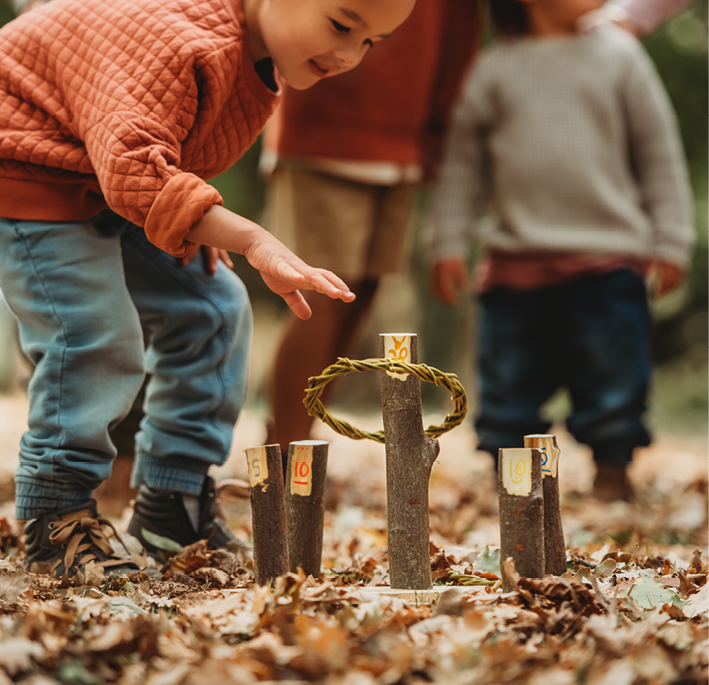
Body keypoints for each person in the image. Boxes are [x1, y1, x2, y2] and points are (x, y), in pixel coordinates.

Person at [0, 0, 415, 577]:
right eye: (342, 25)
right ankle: (56, 513)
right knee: (93, 334)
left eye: (371, 42)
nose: (350, 55)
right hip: (27, 166)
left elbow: (160, 159)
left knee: (214, 305)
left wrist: (193, 221)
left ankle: (173, 502)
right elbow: (136, 167)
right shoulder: (186, 42)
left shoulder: (260, 59)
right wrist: (249, 238)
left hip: (102, 179)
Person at [431, 0, 695, 502]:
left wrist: (672, 241)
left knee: (614, 375)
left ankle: (612, 469)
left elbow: (658, 153)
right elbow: (463, 167)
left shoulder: (621, 57)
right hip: (515, 264)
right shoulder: (495, 68)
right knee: (508, 382)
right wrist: (446, 243)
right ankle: (513, 483)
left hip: (609, 260)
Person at [261, 0, 480, 455]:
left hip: (407, 137)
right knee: (317, 293)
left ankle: (300, 443)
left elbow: (460, 32)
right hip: (319, 126)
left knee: (358, 295)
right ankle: (284, 451)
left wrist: (438, 132)